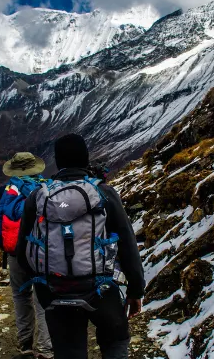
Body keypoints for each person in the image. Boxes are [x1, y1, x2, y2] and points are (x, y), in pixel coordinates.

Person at [16, 134, 145, 359]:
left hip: (55, 292)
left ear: (58, 161)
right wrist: (136, 290)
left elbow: (22, 252)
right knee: (115, 342)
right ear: (86, 159)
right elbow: (127, 243)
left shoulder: (38, 197)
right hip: (101, 289)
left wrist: (45, 286)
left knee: (69, 352)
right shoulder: (104, 193)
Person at [0, 152, 54, 359]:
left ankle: (26, 345)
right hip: (42, 253)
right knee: (42, 298)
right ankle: (45, 348)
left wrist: (5, 245)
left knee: (20, 295)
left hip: (15, 253)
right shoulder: (47, 188)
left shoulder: (4, 192)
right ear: (36, 168)